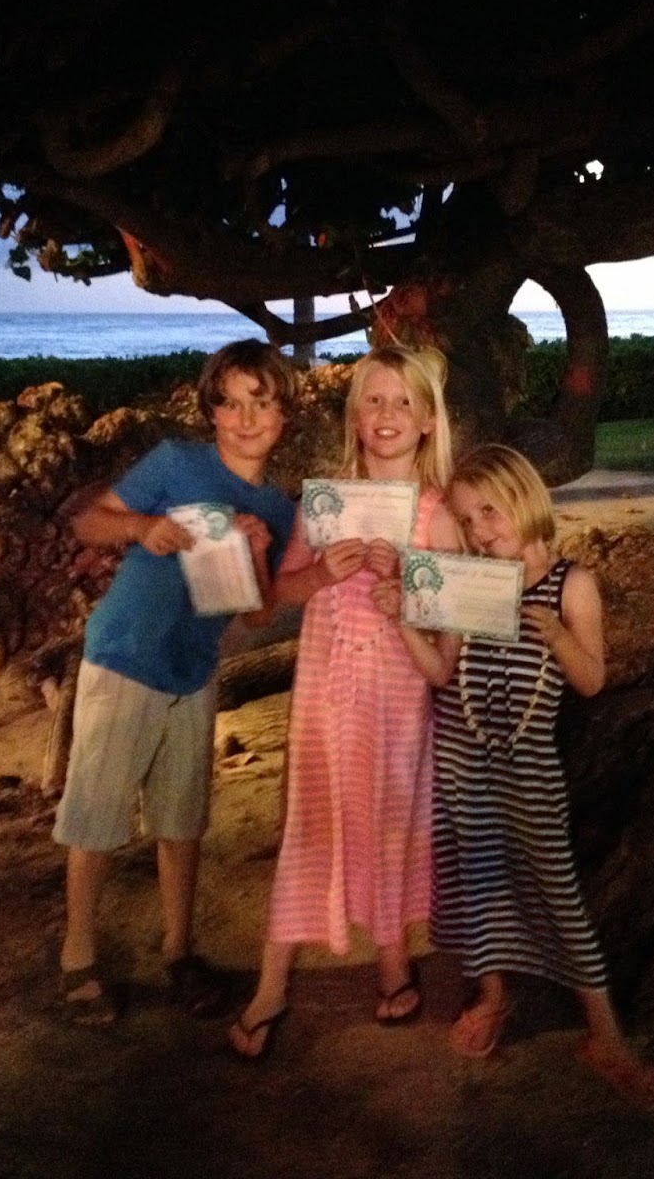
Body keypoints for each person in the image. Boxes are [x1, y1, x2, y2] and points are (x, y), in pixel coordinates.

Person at [380, 443, 654, 1111]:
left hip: (530, 769)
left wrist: (559, 637)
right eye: (467, 518)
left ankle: (605, 1035)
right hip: (462, 759)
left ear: (525, 498)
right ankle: (494, 996)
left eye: (490, 510)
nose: (481, 529)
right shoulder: (469, 580)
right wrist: (404, 620)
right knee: (477, 884)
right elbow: (443, 673)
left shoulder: (572, 584)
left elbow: (591, 680)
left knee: (557, 893)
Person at [53, 339, 298, 1024]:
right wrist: (141, 526)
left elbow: (256, 613)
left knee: (182, 818)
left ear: (283, 414)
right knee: (98, 813)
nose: (245, 419)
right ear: (210, 410)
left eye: (261, 403)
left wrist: (255, 553)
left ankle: (180, 950)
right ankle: (78, 956)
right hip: (125, 657)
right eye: (230, 404)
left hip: (194, 669)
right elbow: (87, 521)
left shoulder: (278, 509)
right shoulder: (176, 463)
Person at [228, 344, 462, 1059]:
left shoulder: (439, 514)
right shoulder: (322, 503)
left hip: (397, 701)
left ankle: (393, 962)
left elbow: (452, 637)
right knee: (311, 824)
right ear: (355, 417)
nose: (386, 414)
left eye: (402, 402)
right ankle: (271, 985)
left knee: (389, 823)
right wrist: (321, 573)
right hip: (327, 694)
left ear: (428, 421)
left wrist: (409, 584)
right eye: (372, 400)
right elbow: (273, 599)